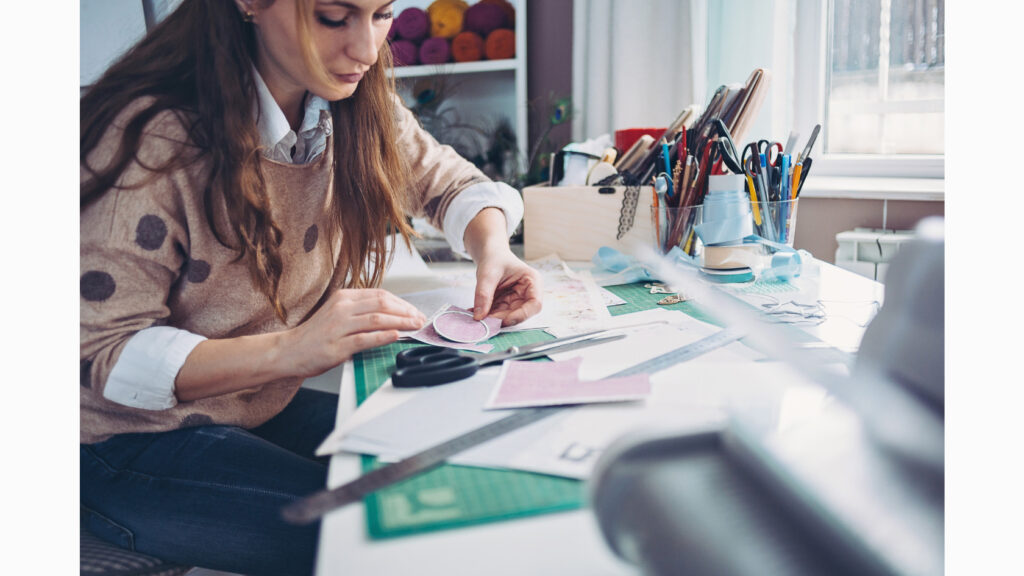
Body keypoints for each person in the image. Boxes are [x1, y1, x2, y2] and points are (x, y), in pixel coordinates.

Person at [79, 0, 542, 574]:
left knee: (477, 475)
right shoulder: (153, 136)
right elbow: (99, 355)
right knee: (404, 538)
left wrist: (492, 249)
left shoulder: (348, 103)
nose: (368, 51)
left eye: (382, 14)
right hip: (119, 441)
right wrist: (292, 348)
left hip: (251, 407)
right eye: (333, 17)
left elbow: (449, 182)